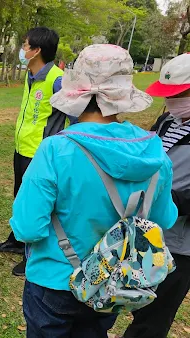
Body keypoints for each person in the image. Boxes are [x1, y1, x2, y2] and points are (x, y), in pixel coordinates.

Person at [10, 44, 178, 337]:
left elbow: (27, 228)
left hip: (55, 280)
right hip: (114, 282)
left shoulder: (56, 149)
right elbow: (162, 222)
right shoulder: (155, 154)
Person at [0, 27, 71, 277]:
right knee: (20, 196)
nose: (22, 49)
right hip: (22, 148)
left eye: (25, 45)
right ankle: (16, 241)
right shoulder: (31, 74)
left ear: (36, 50)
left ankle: (33, 256)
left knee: (38, 204)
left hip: (41, 152)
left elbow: (77, 116)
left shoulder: (57, 79)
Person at [124, 52, 190, 338]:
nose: (171, 101)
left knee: (154, 316)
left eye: (179, 95)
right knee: (137, 300)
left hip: (180, 245)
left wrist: (162, 198)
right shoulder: (167, 121)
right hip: (148, 232)